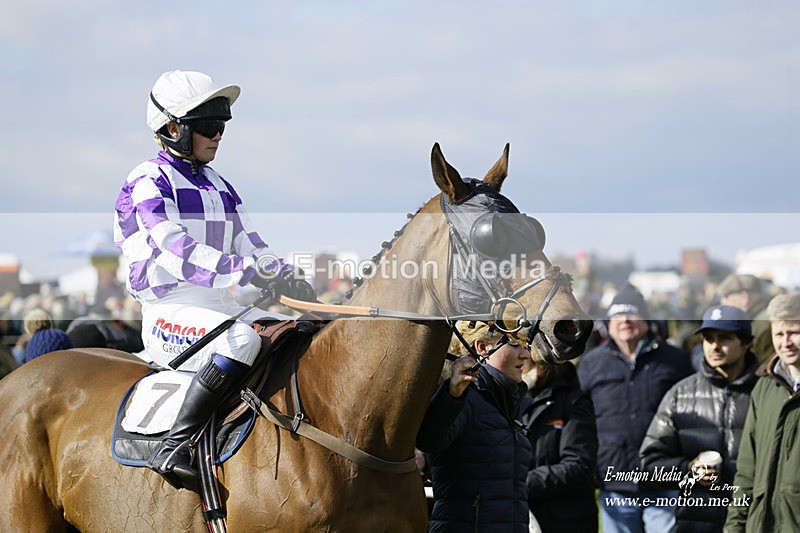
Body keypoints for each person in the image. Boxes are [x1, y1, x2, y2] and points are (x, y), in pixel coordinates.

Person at [113, 70, 315, 492]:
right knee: (240, 342)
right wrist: (245, 271)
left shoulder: (219, 185)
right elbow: (174, 248)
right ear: (172, 128)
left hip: (220, 306)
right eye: (206, 126)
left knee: (300, 331)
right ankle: (176, 444)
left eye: (221, 126)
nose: (217, 135)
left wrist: (283, 274)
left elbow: (250, 241)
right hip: (168, 312)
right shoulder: (147, 179)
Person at [577, 283, 693, 533]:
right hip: (614, 480)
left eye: (632, 313)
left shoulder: (675, 360)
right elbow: (580, 420)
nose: (625, 320)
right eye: (617, 314)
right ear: (608, 321)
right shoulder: (591, 364)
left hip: (664, 479)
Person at [639, 305, 759, 532]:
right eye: (708, 338)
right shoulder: (680, 394)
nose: (714, 346)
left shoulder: (766, 393)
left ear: (747, 343)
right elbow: (649, 463)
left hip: (752, 522)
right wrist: (689, 469)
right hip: (695, 523)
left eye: (725, 338)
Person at [416, 323, 532, 532]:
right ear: (481, 348)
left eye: (525, 345)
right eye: (515, 344)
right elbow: (430, 441)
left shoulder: (513, 402)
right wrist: (451, 396)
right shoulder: (464, 397)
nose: (525, 354)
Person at [725, 293, 800, 532]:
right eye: (779, 334)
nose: (786, 342)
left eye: (794, 332)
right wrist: (735, 525)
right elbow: (747, 469)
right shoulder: (764, 386)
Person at [521, 359, 598, 533]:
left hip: (565, 521)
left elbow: (579, 466)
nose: (520, 354)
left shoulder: (573, 401)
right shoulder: (508, 397)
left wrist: (520, 483)